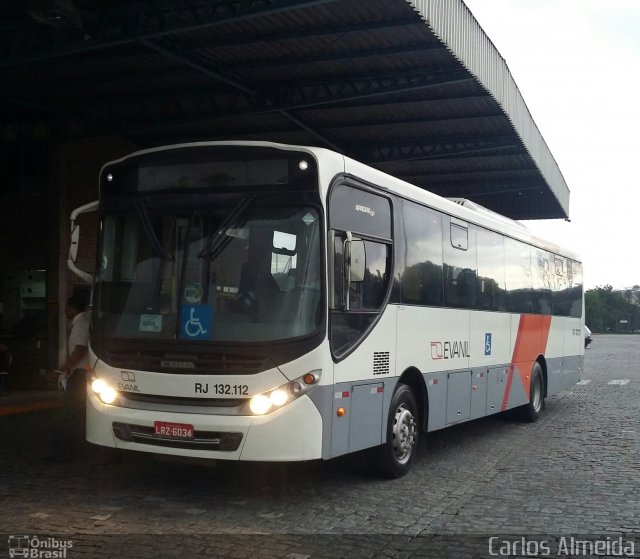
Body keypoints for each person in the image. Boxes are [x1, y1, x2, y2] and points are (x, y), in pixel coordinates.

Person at [51, 295, 91, 461]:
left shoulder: (80, 324)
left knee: (67, 415)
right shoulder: (81, 323)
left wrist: (62, 369)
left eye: (66, 308)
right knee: (76, 415)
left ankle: (63, 453)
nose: (64, 311)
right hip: (81, 374)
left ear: (72, 308)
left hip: (80, 375)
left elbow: (79, 349)